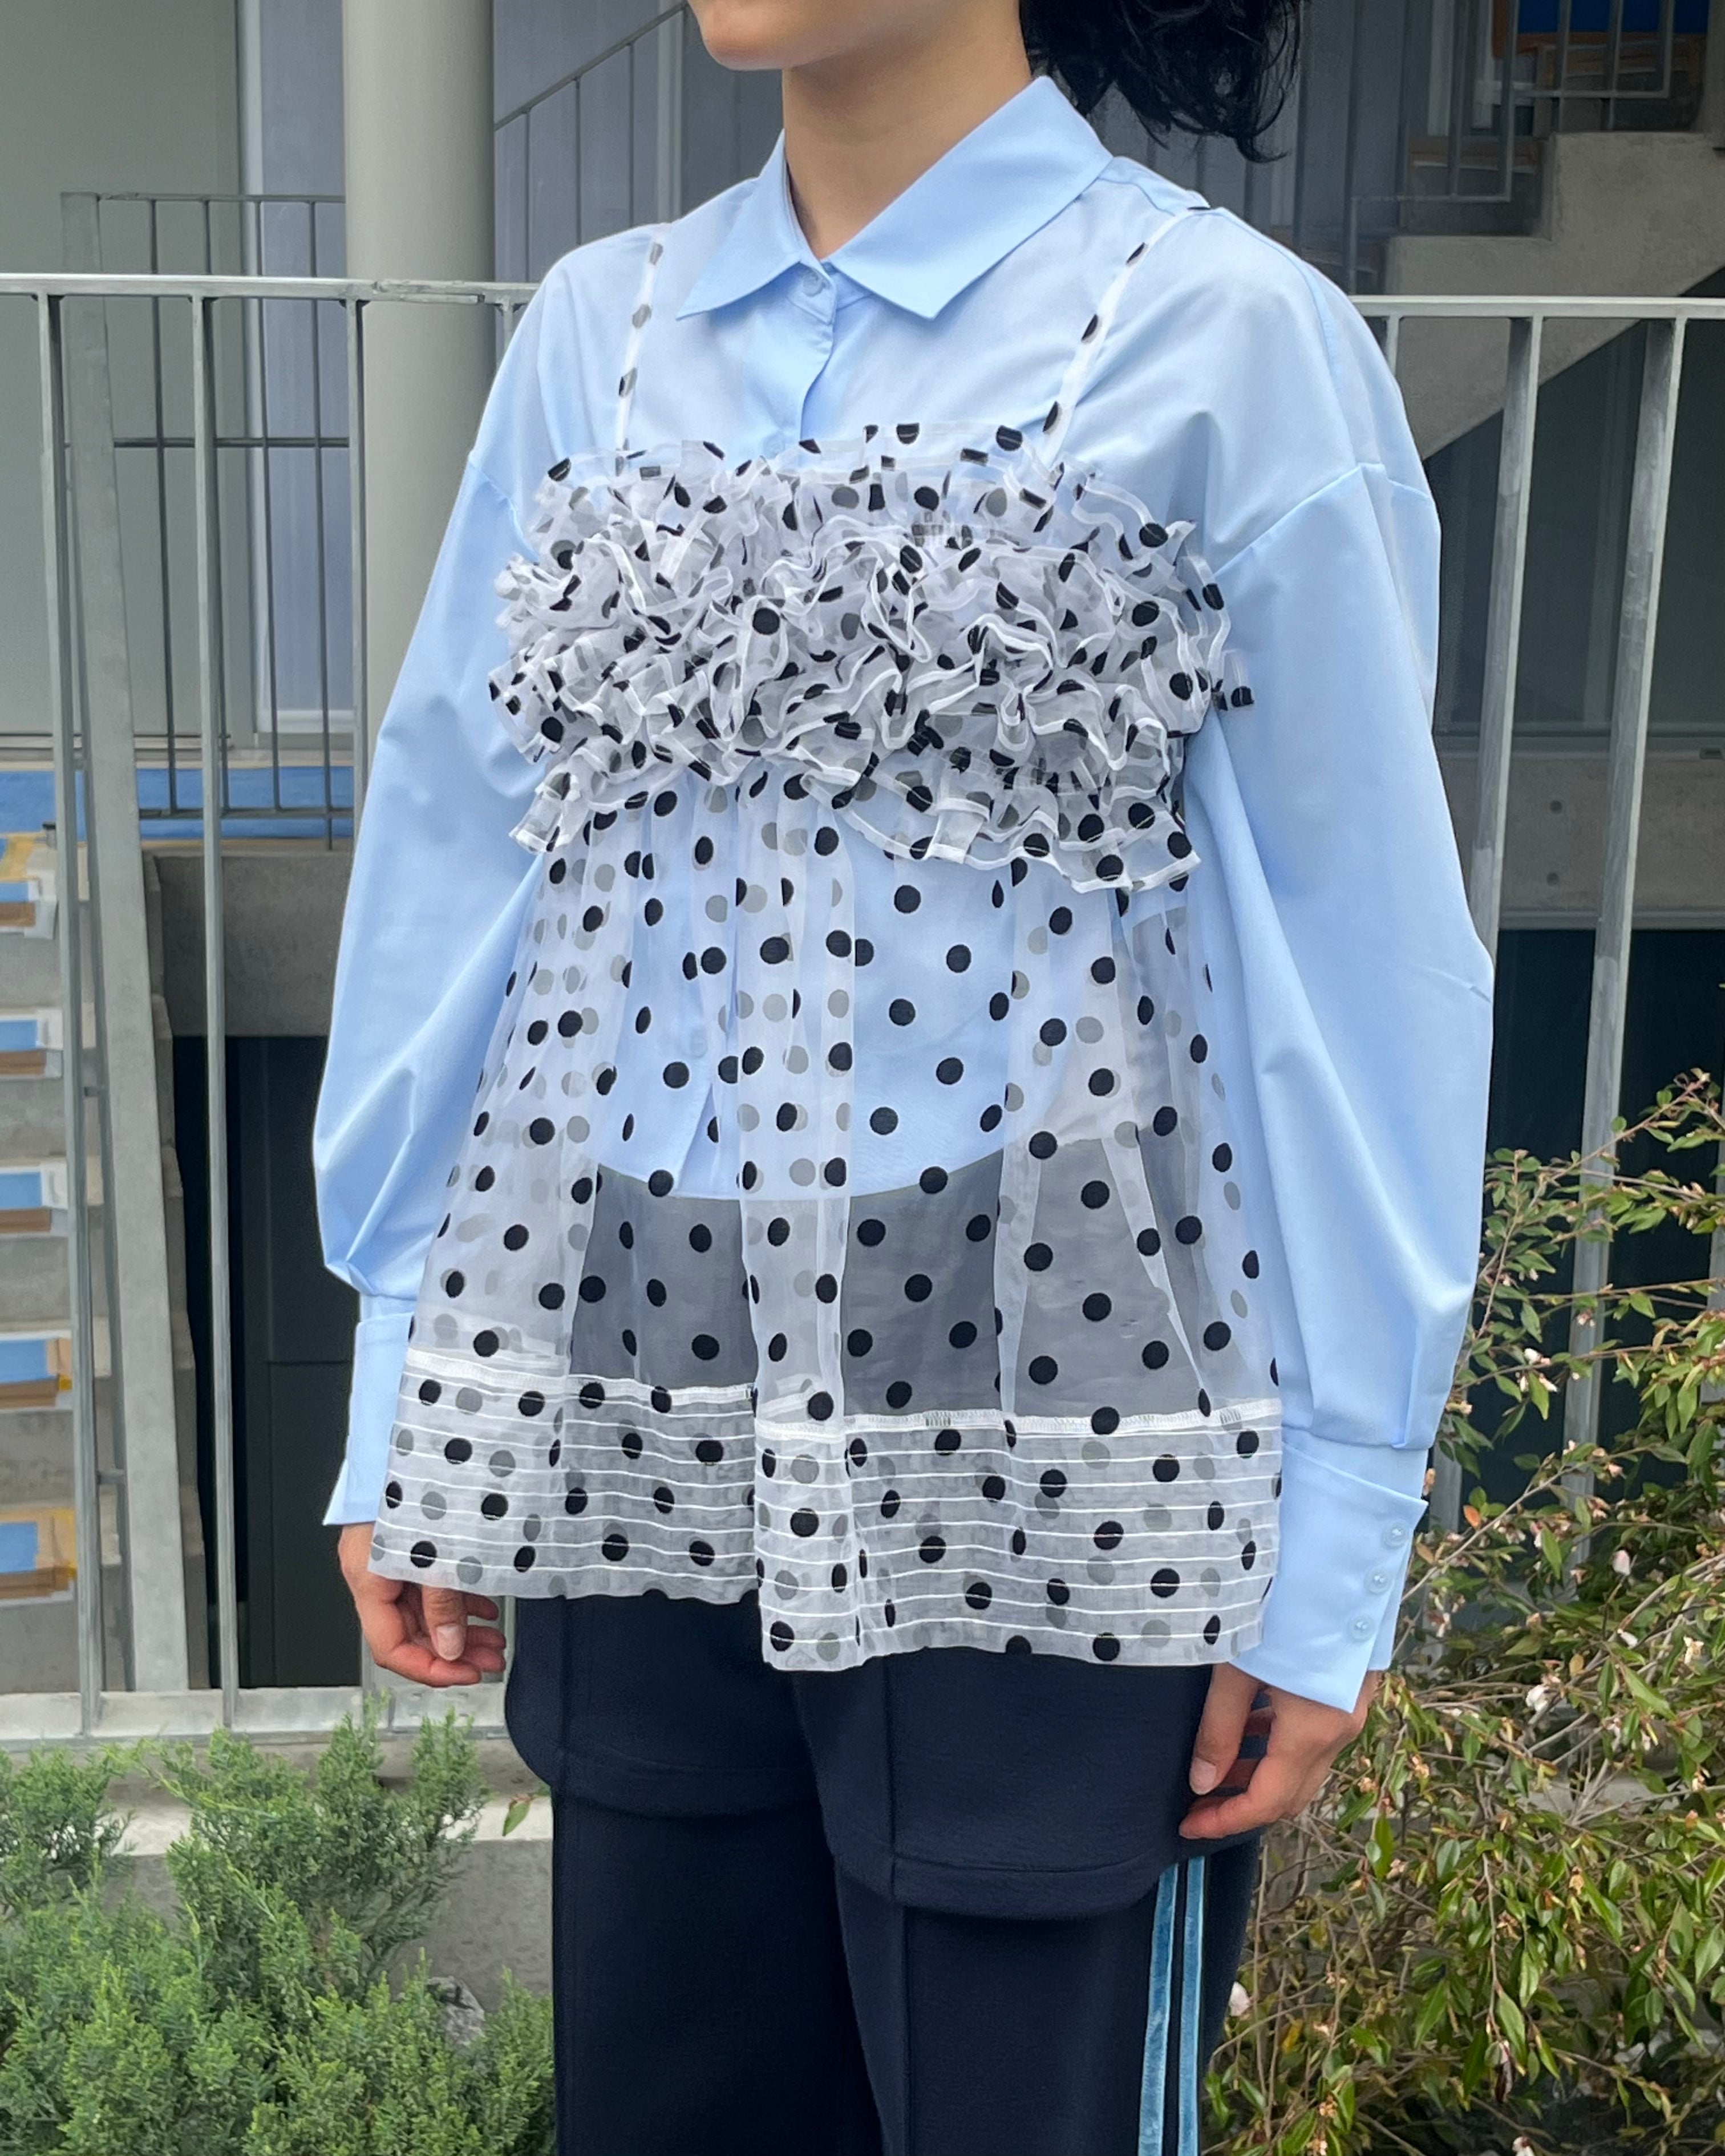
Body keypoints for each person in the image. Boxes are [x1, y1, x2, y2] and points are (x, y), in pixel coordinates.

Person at [313, 1, 1495, 2149]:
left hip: (1068, 1456)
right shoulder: (600, 340)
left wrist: (1338, 1532)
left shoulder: (1225, 340)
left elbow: (1354, 972)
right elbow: (465, 858)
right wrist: (409, 1367)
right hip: (638, 1420)